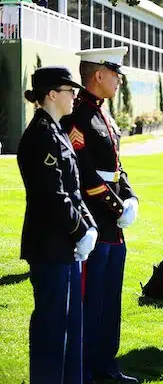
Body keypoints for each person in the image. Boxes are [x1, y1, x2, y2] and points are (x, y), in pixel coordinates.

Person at [60, 47, 139, 384]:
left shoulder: (103, 115)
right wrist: (118, 208)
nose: (119, 79)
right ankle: (87, 369)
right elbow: (86, 173)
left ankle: (107, 365)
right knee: (91, 303)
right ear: (97, 76)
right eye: (114, 72)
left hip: (113, 225)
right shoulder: (78, 117)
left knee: (110, 302)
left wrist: (132, 197)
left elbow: (117, 168)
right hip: (96, 221)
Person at [17, 66, 98, 384]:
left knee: (67, 323)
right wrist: (81, 231)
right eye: (69, 91)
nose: (75, 96)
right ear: (51, 94)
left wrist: (89, 226)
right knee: (52, 326)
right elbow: (52, 196)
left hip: (64, 243)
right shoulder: (41, 135)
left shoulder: (55, 130)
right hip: (50, 244)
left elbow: (73, 190)